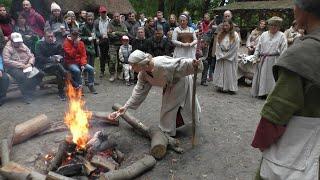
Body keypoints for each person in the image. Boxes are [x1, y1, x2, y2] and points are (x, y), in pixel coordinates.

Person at [251, 0, 320, 179]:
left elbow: (276, 112)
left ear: (304, 11)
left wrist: (262, 140)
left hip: (298, 153)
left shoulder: (303, 53)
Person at [109, 50, 203, 136]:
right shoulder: (143, 74)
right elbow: (139, 91)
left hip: (180, 81)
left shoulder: (161, 63)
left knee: (169, 107)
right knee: (171, 105)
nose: (131, 68)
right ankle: (169, 129)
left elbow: (179, 63)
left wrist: (193, 64)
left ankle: (167, 132)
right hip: (170, 85)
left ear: (140, 63)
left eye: (133, 65)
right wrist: (125, 107)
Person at [251, 16, 287, 98]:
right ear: (269, 26)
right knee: (263, 76)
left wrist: (282, 63)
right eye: (272, 25)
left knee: (272, 78)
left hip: (274, 60)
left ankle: (271, 94)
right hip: (263, 60)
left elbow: (284, 50)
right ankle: (262, 93)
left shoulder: (282, 36)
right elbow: (258, 47)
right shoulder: (264, 34)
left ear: (279, 26)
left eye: (276, 25)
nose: (273, 27)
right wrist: (255, 57)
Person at [3, 32, 44, 104]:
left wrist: (30, 63)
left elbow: (31, 55)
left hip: (27, 66)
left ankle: (31, 90)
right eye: (16, 42)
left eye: (19, 41)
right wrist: (22, 66)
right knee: (22, 76)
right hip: (13, 68)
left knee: (40, 73)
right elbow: (7, 61)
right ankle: (26, 96)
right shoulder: (7, 48)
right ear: (12, 41)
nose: (18, 43)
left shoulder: (23, 45)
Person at [35, 30, 68, 100]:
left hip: (55, 67)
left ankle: (61, 92)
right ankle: (67, 76)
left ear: (54, 37)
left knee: (58, 72)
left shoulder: (57, 45)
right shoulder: (40, 44)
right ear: (44, 37)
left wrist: (59, 58)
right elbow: (39, 58)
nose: (50, 38)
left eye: (51, 36)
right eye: (48, 37)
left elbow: (62, 56)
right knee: (58, 67)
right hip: (43, 66)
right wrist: (51, 59)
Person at [63, 28, 97, 94]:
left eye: (77, 35)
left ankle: (91, 85)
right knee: (77, 71)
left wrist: (82, 64)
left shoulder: (81, 43)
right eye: (74, 35)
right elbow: (71, 55)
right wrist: (75, 46)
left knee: (91, 69)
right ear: (70, 34)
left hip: (80, 62)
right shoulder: (66, 43)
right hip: (70, 62)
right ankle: (79, 87)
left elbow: (83, 55)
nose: (75, 37)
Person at [212, 19, 240, 94]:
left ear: (231, 25)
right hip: (221, 55)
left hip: (230, 56)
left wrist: (226, 55)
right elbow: (217, 45)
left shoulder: (235, 35)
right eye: (224, 25)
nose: (225, 27)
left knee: (230, 72)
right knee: (221, 71)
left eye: (227, 25)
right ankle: (220, 86)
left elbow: (235, 47)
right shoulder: (220, 34)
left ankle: (230, 87)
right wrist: (221, 55)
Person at [107, 12, 128, 82]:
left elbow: (125, 33)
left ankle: (119, 73)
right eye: (115, 17)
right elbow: (109, 34)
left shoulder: (122, 24)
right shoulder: (110, 24)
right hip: (112, 44)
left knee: (120, 60)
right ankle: (112, 74)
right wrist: (119, 35)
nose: (116, 18)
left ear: (119, 17)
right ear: (113, 17)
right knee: (112, 60)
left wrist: (116, 32)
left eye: (117, 17)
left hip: (121, 45)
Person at [95, 6, 110, 78]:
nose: (103, 14)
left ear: (106, 12)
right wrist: (100, 35)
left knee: (109, 56)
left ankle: (111, 71)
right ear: (100, 13)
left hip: (108, 40)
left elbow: (111, 29)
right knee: (102, 57)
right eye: (102, 12)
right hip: (101, 40)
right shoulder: (97, 21)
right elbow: (95, 31)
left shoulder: (110, 20)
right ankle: (102, 71)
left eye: (104, 12)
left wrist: (108, 34)